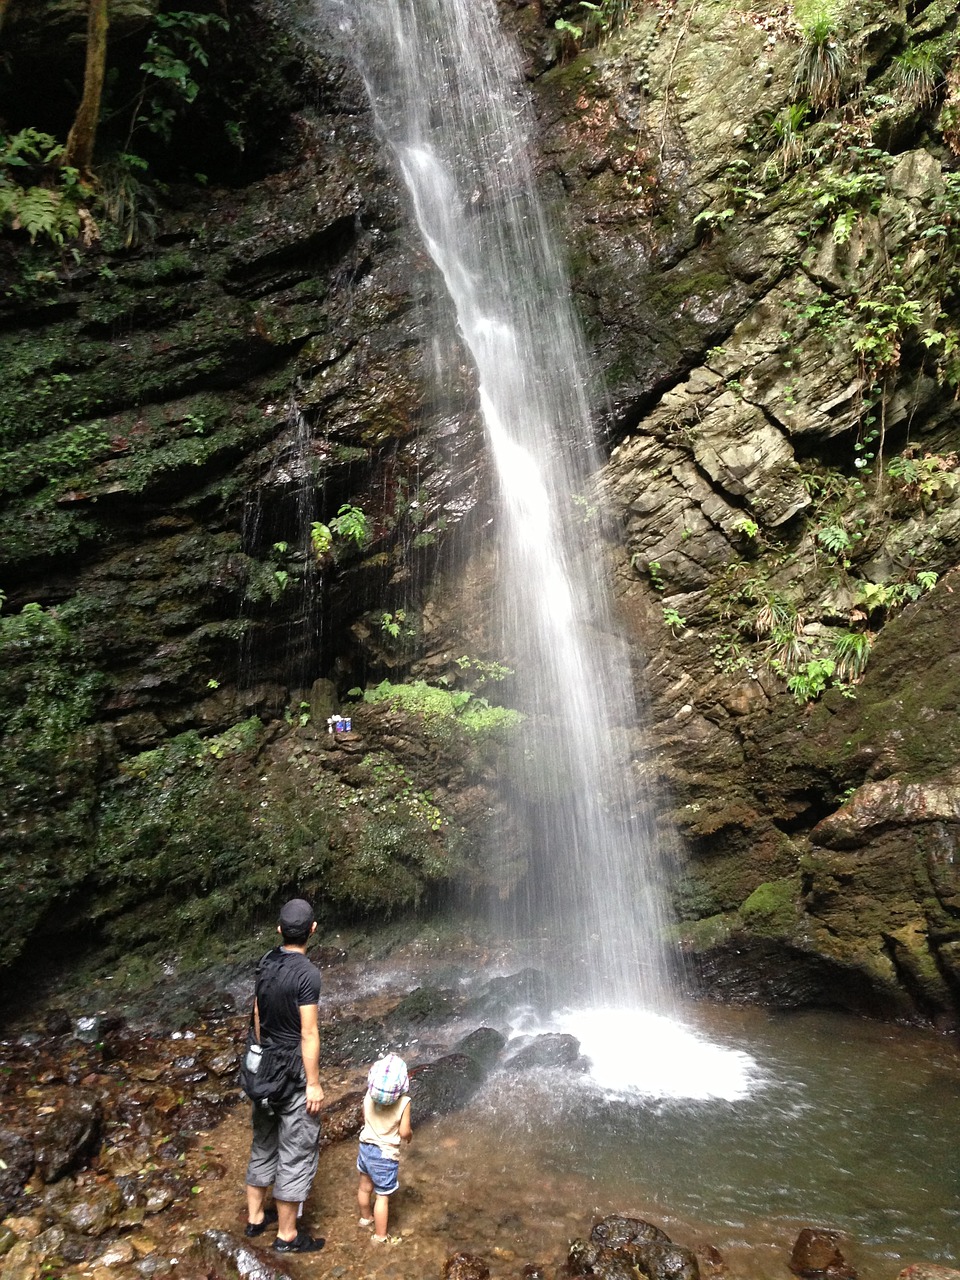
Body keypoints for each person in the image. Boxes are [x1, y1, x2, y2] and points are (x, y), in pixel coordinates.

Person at [243, 898, 326, 1253]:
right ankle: (287, 1236)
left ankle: (255, 1218)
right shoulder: (307, 974)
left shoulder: (266, 962)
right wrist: (314, 1083)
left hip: (263, 1070)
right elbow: (309, 1033)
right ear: (312, 930)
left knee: (263, 1141)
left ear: (279, 930)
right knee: (295, 1149)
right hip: (292, 1073)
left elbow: (258, 1014)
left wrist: (261, 1056)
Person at [357, 1053, 413, 1245]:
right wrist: (409, 1136)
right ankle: (380, 1236)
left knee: (365, 1187)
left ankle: (365, 1218)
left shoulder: (368, 1096)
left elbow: (365, 1116)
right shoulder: (404, 1103)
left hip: (365, 1147)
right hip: (385, 1155)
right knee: (382, 1196)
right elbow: (404, 1131)